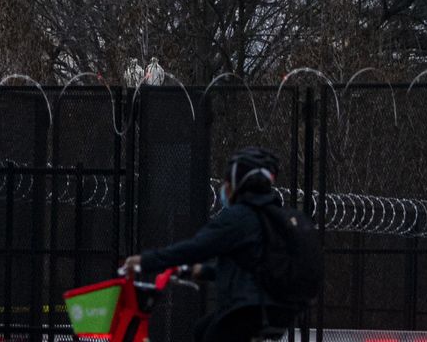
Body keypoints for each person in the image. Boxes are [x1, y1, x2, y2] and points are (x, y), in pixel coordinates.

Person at [119, 146, 300, 342]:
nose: (225, 187)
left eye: (228, 181)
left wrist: (145, 261)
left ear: (240, 182)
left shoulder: (240, 217)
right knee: (202, 328)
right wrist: (201, 271)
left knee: (209, 333)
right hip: (272, 309)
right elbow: (252, 268)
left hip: (246, 311)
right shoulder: (272, 217)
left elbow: (196, 248)